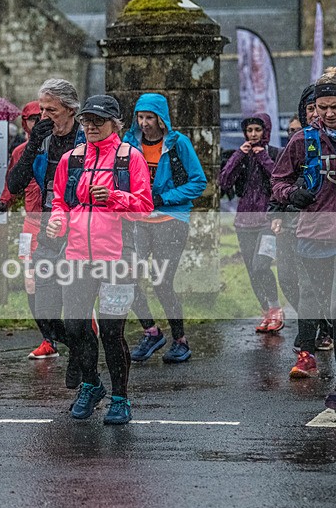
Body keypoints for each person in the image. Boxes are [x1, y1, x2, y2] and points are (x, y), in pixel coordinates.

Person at [47, 95, 153, 424]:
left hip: (118, 256)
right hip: (78, 255)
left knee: (111, 331)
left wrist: (116, 197)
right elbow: (61, 202)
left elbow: (145, 205)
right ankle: (91, 384)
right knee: (76, 326)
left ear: (114, 124)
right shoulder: (72, 159)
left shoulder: (129, 157)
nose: (91, 126)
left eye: (99, 120)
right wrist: (57, 221)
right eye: (86, 120)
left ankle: (120, 397)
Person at [7, 79, 84, 383]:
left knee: (75, 309)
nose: (44, 116)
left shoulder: (84, 139)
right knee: (45, 309)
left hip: (79, 231)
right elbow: (13, 186)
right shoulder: (42, 141)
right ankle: (77, 348)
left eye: (51, 110)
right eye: (41, 109)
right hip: (49, 230)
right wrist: (33, 146)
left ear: (70, 109)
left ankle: (84, 366)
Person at [121, 93, 207, 363]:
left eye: (149, 117)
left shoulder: (178, 143)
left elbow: (198, 182)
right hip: (139, 221)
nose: (144, 123)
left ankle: (180, 340)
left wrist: (163, 198)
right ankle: (151, 332)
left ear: (161, 119)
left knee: (161, 282)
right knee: (126, 278)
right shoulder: (129, 142)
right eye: (140, 117)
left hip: (171, 220)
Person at [272, 68, 336, 391]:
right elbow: (278, 182)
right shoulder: (304, 140)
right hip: (312, 237)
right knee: (315, 301)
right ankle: (307, 350)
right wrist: (291, 196)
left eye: (333, 108)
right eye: (321, 107)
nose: (326, 114)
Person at [0, 100, 60, 359]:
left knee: (65, 279)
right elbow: (12, 181)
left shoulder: (59, 146)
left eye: (40, 117)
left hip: (57, 224)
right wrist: (3, 201)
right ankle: (47, 339)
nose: (37, 123)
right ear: (24, 123)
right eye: (32, 119)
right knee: (31, 283)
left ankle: (82, 324)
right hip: (30, 226)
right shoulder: (20, 151)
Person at [219, 113, 284, 334]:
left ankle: (276, 309)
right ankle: (266, 312)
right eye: (250, 131)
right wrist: (239, 155)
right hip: (244, 221)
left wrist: (263, 157)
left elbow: (280, 179)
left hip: (268, 220)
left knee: (261, 264)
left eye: (257, 130)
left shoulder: (275, 153)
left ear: (265, 131)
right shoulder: (241, 155)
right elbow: (224, 180)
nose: (253, 135)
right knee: (251, 270)